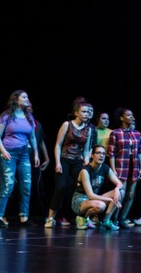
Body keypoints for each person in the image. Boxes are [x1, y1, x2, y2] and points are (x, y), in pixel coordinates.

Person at [0, 89, 40, 228]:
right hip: (8, 153)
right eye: (24, 97)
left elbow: (32, 137)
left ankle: (24, 217)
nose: (27, 99)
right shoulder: (6, 116)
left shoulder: (29, 117)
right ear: (16, 99)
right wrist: (3, 151)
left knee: (26, 185)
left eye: (27, 97)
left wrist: (36, 153)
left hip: (24, 154)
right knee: (8, 185)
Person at [44, 97, 93, 228]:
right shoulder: (67, 125)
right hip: (64, 159)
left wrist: (86, 165)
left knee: (75, 189)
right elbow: (58, 145)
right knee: (61, 187)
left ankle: (71, 216)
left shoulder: (89, 129)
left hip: (78, 162)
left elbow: (87, 150)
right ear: (76, 113)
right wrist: (58, 163)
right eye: (84, 111)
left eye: (88, 112)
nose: (86, 114)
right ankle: (50, 217)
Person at [72, 145, 124, 230]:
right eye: (98, 153)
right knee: (101, 206)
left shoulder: (105, 168)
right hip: (80, 200)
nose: (101, 156)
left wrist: (117, 189)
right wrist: (111, 200)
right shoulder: (85, 171)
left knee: (121, 192)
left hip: (93, 200)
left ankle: (106, 221)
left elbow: (119, 183)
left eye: (103, 153)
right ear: (92, 155)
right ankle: (82, 217)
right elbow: (90, 195)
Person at [107, 107, 141, 228]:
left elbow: (139, 152)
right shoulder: (116, 133)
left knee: (131, 194)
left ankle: (123, 218)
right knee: (121, 193)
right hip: (122, 167)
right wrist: (113, 169)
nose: (132, 117)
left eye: (132, 115)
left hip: (134, 167)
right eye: (128, 115)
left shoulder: (137, 133)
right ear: (122, 118)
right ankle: (114, 218)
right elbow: (111, 153)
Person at [27, 102, 50, 218]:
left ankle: (43, 215)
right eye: (27, 107)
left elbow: (41, 141)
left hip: (34, 159)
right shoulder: (15, 122)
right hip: (20, 157)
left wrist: (47, 158)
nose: (29, 109)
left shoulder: (37, 124)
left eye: (31, 107)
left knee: (38, 187)